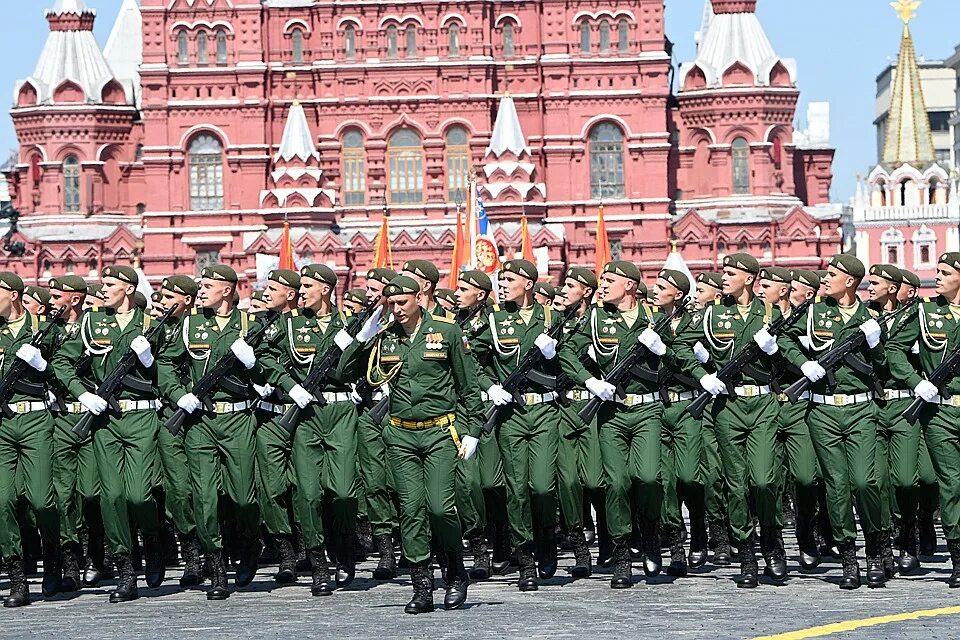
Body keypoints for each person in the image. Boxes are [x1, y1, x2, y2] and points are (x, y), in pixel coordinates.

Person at [340, 275, 484, 614]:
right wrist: (364, 334)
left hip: (439, 432)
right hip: (401, 434)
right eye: (391, 304)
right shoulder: (384, 337)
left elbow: (468, 385)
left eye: (402, 302)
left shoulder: (447, 332)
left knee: (439, 507)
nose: (397, 309)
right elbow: (344, 371)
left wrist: (474, 430)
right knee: (411, 510)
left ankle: (454, 570)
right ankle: (422, 586)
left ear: (419, 297)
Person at [52, 266, 168, 603]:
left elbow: (172, 371)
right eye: (103, 284)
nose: (103, 290)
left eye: (111, 285)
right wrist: (82, 393)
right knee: (112, 497)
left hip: (142, 417)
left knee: (138, 495)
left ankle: (152, 536)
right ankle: (125, 570)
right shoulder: (91, 322)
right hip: (105, 420)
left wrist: (150, 360)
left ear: (129, 289)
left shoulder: (150, 323)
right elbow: (62, 362)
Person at [688, 253, 803, 589]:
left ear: (751, 278)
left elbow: (794, 351)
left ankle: (771, 539)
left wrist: (776, 351)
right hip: (728, 405)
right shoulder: (712, 313)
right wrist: (702, 373)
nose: (724, 277)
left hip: (764, 404)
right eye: (724, 272)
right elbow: (679, 345)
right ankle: (747, 553)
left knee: (766, 480)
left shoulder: (769, 313)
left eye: (732, 272)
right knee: (736, 485)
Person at [559, 260, 672, 588]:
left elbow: (681, 360)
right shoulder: (594, 318)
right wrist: (589, 381)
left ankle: (650, 532)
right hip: (611, 414)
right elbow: (565, 353)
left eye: (610, 280)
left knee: (649, 477)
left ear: (631, 287)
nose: (603, 285)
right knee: (617, 483)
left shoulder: (654, 318)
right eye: (603, 279)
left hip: (648, 410)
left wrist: (663, 349)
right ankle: (622, 554)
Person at [156, 265, 267, 600]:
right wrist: (179, 395)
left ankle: (249, 545)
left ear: (228, 290)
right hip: (200, 423)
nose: (201, 291)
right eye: (201, 285)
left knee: (243, 496)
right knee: (204, 499)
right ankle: (216, 567)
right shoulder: (190, 324)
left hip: (237, 420)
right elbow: (166, 365)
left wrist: (253, 367)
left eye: (209, 286)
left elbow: (267, 369)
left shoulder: (249, 325)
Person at [784, 254, 887, 590]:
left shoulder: (870, 317)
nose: (824, 279)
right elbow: (783, 338)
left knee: (864, 482)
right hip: (823, 411)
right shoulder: (814, 312)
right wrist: (803, 364)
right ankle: (848, 557)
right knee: (837, 486)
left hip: (860, 411)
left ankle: (874, 545)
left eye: (832, 275)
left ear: (851, 281)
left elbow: (883, 366)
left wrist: (876, 343)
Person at [471, 260, 562, 592]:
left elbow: (569, 362)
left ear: (528, 283)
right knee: (517, 490)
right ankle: (525, 559)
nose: (503, 283)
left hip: (545, 413)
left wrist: (554, 355)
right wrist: (489, 385)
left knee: (541, 486)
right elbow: (471, 359)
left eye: (509, 279)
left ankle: (547, 537)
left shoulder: (551, 319)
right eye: (501, 279)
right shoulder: (495, 320)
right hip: (511, 415)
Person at [891, 252, 960, 587]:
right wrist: (917, 383)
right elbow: (894, 351)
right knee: (952, 485)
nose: (938, 276)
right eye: (937, 271)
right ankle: (958, 559)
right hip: (942, 412)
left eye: (945, 272)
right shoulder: (926, 311)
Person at [0, 272, 61, 606]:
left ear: (13, 295)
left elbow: (66, 372)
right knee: (2, 500)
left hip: (36, 418)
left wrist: (42, 365)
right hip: (1, 424)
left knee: (40, 499)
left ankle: (53, 555)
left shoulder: (42, 329)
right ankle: (17, 577)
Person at [760, 267, 821, 571]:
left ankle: (806, 531)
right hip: (767, 404)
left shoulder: (811, 320)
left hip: (799, 407)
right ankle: (773, 544)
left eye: (768, 285)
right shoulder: (757, 319)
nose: (761, 289)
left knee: (807, 477)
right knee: (768, 479)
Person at [47, 275, 101, 593]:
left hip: (92, 420)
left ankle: (97, 554)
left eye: (57, 296)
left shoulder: (94, 328)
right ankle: (71, 562)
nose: (51, 301)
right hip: (60, 418)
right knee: (63, 496)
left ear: (75, 299)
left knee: (93, 494)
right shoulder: (46, 332)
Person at [653, 269, 707, 576]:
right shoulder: (649, 323)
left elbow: (689, 357)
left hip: (689, 404)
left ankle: (698, 525)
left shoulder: (696, 323)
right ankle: (675, 545)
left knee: (689, 476)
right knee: (665, 480)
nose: (656, 290)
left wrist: (666, 349)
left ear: (678, 294)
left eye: (663, 287)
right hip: (659, 405)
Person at [253, 269, 303, 585]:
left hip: (302, 415)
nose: (267, 292)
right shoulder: (257, 326)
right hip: (270, 416)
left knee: (303, 487)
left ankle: (310, 549)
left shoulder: (306, 325)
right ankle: (285, 554)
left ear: (292, 294)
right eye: (266, 287)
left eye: (274, 288)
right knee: (271, 488)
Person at [153, 276, 204, 588]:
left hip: (202, 415)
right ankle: (191, 551)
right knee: (177, 490)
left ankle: (215, 547)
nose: (164, 299)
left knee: (206, 489)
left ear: (187, 299)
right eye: (162, 293)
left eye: (171, 295)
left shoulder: (201, 326)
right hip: (168, 414)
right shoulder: (154, 328)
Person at [554, 267, 604, 577]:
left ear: (586, 291)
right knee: (568, 481)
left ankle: (611, 540)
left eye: (570, 286)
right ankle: (579, 548)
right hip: (564, 405)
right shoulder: (553, 322)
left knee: (597, 480)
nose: (564, 290)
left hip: (596, 406)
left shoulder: (601, 320)